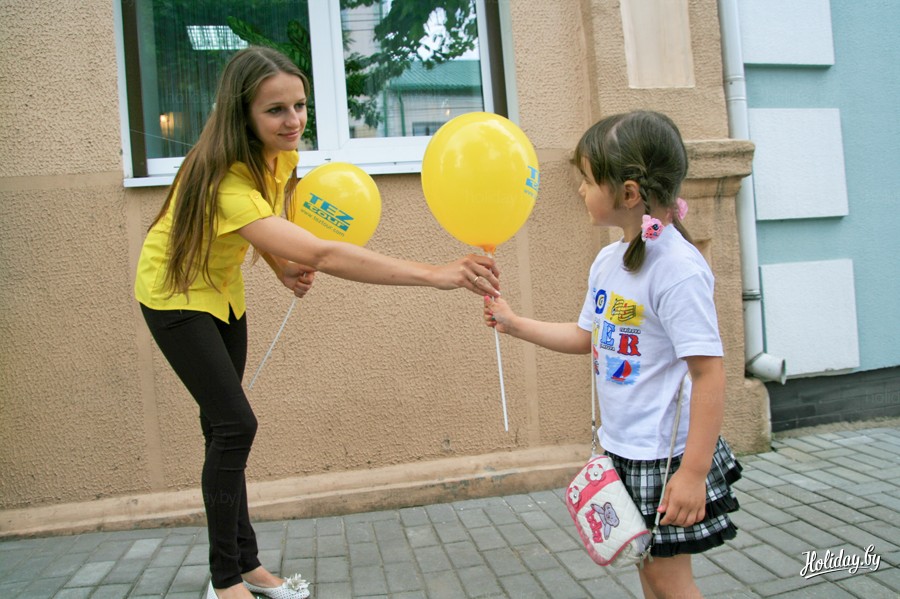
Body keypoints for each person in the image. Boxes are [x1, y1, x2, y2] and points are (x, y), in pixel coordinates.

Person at [134, 46, 500, 599]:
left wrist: (280, 267)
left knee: (222, 430)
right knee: (235, 427)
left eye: (299, 105)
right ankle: (224, 580)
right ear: (242, 115)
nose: (293, 121)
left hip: (222, 293)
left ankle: (246, 565)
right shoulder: (223, 180)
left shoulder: (275, 156)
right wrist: (436, 274)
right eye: (275, 110)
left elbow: (263, 225)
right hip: (174, 297)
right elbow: (323, 252)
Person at [483, 111, 740, 599]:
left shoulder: (677, 270)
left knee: (669, 581)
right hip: (622, 448)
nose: (581, 190)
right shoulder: (608, 261)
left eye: (587, 179)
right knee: (649, 572)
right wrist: (514, 324)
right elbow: (587, 336)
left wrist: (692, 474)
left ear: (628, 193)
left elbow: (709, 374)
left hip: (665, 457)